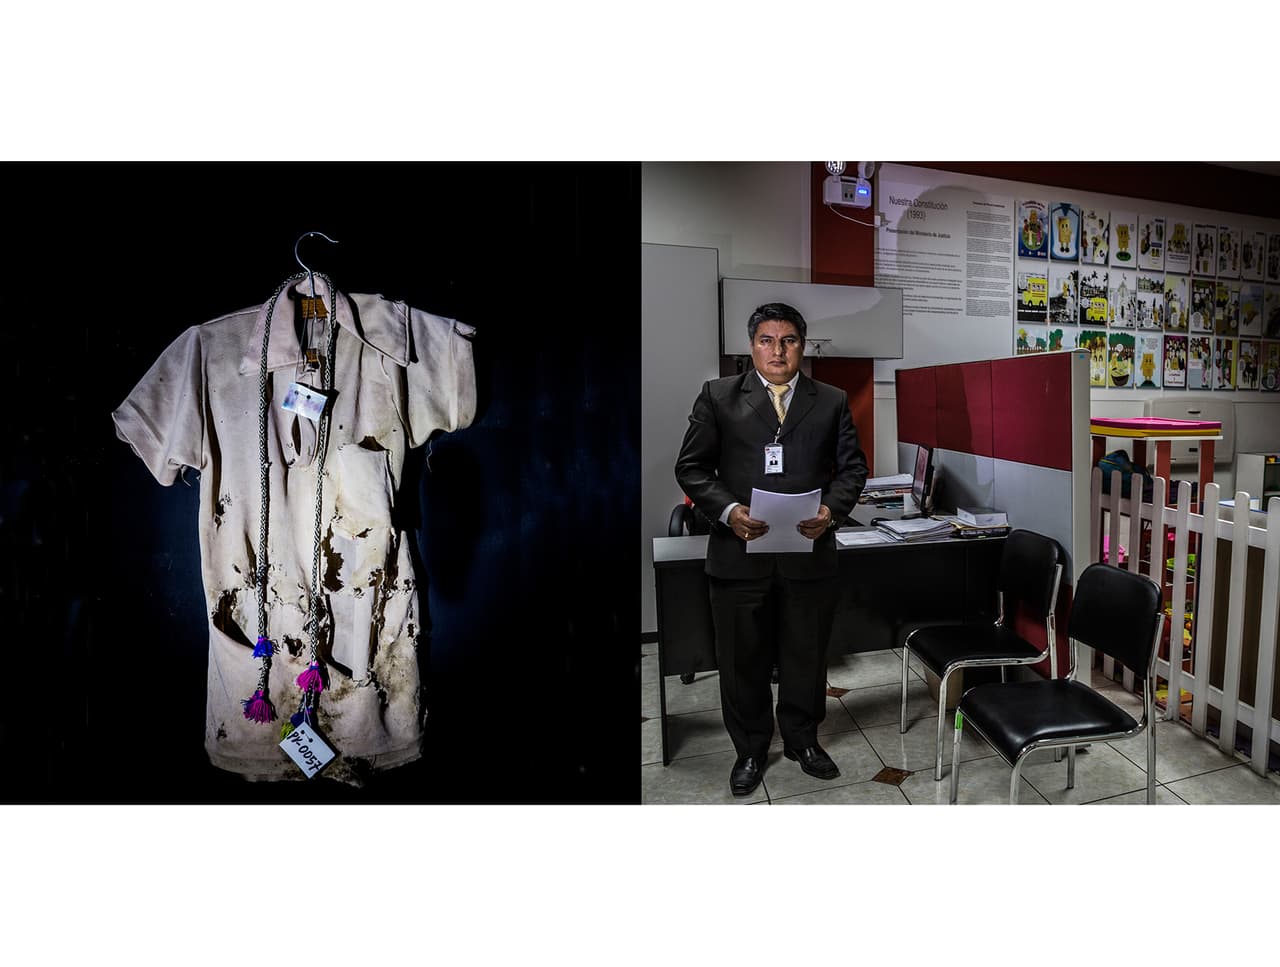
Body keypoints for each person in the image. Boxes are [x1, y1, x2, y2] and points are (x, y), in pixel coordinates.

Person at [674, 302, 868, 796]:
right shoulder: (717, 396)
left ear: (803, 346)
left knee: (806, 655)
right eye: (766, 340)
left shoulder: (830, 400)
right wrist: (729, 511)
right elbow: (692, 468)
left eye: (788, 340)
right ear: (751, 346)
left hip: (808, 553)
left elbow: (852, 471)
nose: (777, 350)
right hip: (739, 553)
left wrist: (831, 510)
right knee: (743, 660)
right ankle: (751, 748)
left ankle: (803, 739)